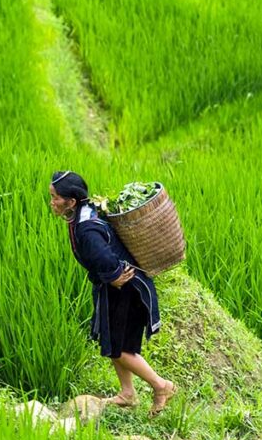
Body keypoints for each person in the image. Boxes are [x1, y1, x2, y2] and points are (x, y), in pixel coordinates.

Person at [49, 170, 176, 415]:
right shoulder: (87, 210)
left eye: (55, 197)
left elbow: (103, 257)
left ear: (71, 201)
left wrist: (114, 275)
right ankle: (127, 394)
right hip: (120, 289)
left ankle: (162, 386)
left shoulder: (85, 227)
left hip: (126, 290)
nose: (52, 202)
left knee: (118, 349)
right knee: (114, 343)